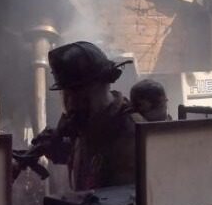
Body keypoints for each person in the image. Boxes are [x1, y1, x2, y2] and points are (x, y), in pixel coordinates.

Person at [16, 41, 137, 191]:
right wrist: (45, 148)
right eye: (65, 94)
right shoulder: (87, 127)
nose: (71, 104)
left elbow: (126, 200)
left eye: (77, 93)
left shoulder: (131, 132)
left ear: (102, 85)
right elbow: (76, 154)